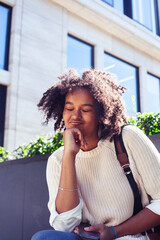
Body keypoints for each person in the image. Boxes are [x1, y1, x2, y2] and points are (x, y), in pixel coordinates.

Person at [31, 69, 160, 240]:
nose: (75, 116)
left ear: (100, 114)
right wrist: (69, 156)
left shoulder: (127, 138)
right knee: (44, 238)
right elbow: (64, 225)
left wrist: (114, 232)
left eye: (85, 109)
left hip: (133, 237)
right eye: (69, 108)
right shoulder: (58, 159)